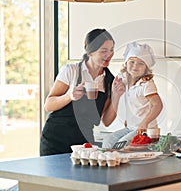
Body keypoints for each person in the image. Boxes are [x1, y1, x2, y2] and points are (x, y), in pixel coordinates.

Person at [40, 28, 125, 156]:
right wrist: (70, 96)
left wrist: (117, 96)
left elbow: (106, 121)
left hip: (83, 142)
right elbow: (48, 105)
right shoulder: (71, 71)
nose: (109, 54)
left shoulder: (109, 81)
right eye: (103, 51)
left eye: (111, 50)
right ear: (90, 51)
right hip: (55, 139)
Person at [102, 42, 163, 148]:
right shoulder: (124, 80)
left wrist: (144, 123)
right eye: (132, 62)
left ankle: (121, 161)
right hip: (130, 127)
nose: (135, 66)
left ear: (146, 68)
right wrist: (115, 90)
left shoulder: (146, 84)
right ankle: (108, 161)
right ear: (126, 63)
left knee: (121, 145)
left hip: (145, 129)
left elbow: (158, 105)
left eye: (141, 63)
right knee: (108, 141)